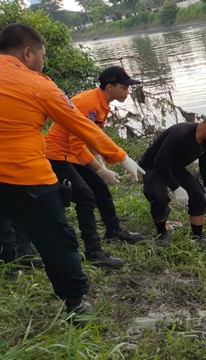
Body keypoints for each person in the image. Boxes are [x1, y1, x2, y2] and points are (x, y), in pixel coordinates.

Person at [0, 23, 145, 317]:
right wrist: (121, 157)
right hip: (27, 177)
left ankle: (16, 261)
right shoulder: (39, 85)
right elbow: (81, 128)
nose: (43, 63)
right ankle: (75, 303)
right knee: (58, 241)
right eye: (42, 56)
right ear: (28, 53)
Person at [45, 66, 145, 269]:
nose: (128, 91)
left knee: (100, 189)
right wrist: (101, 169)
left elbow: (90, 137)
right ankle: (93, 252)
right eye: (124, 87)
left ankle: (113, 231)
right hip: (58, 155)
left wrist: (99, 164)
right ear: (110, 86)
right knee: (85, 196)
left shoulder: (101, 102)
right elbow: (76, 146)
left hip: (73, 154)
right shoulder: (89, 104)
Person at [138, 111, 206, 246]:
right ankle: (162, 233)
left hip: (175, 166)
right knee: (160, 197)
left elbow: (205, 164)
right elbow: (160, 161)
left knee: (199, 198)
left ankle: (198, 237)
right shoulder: (180, 134)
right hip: (153, 165)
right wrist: (176, 187)